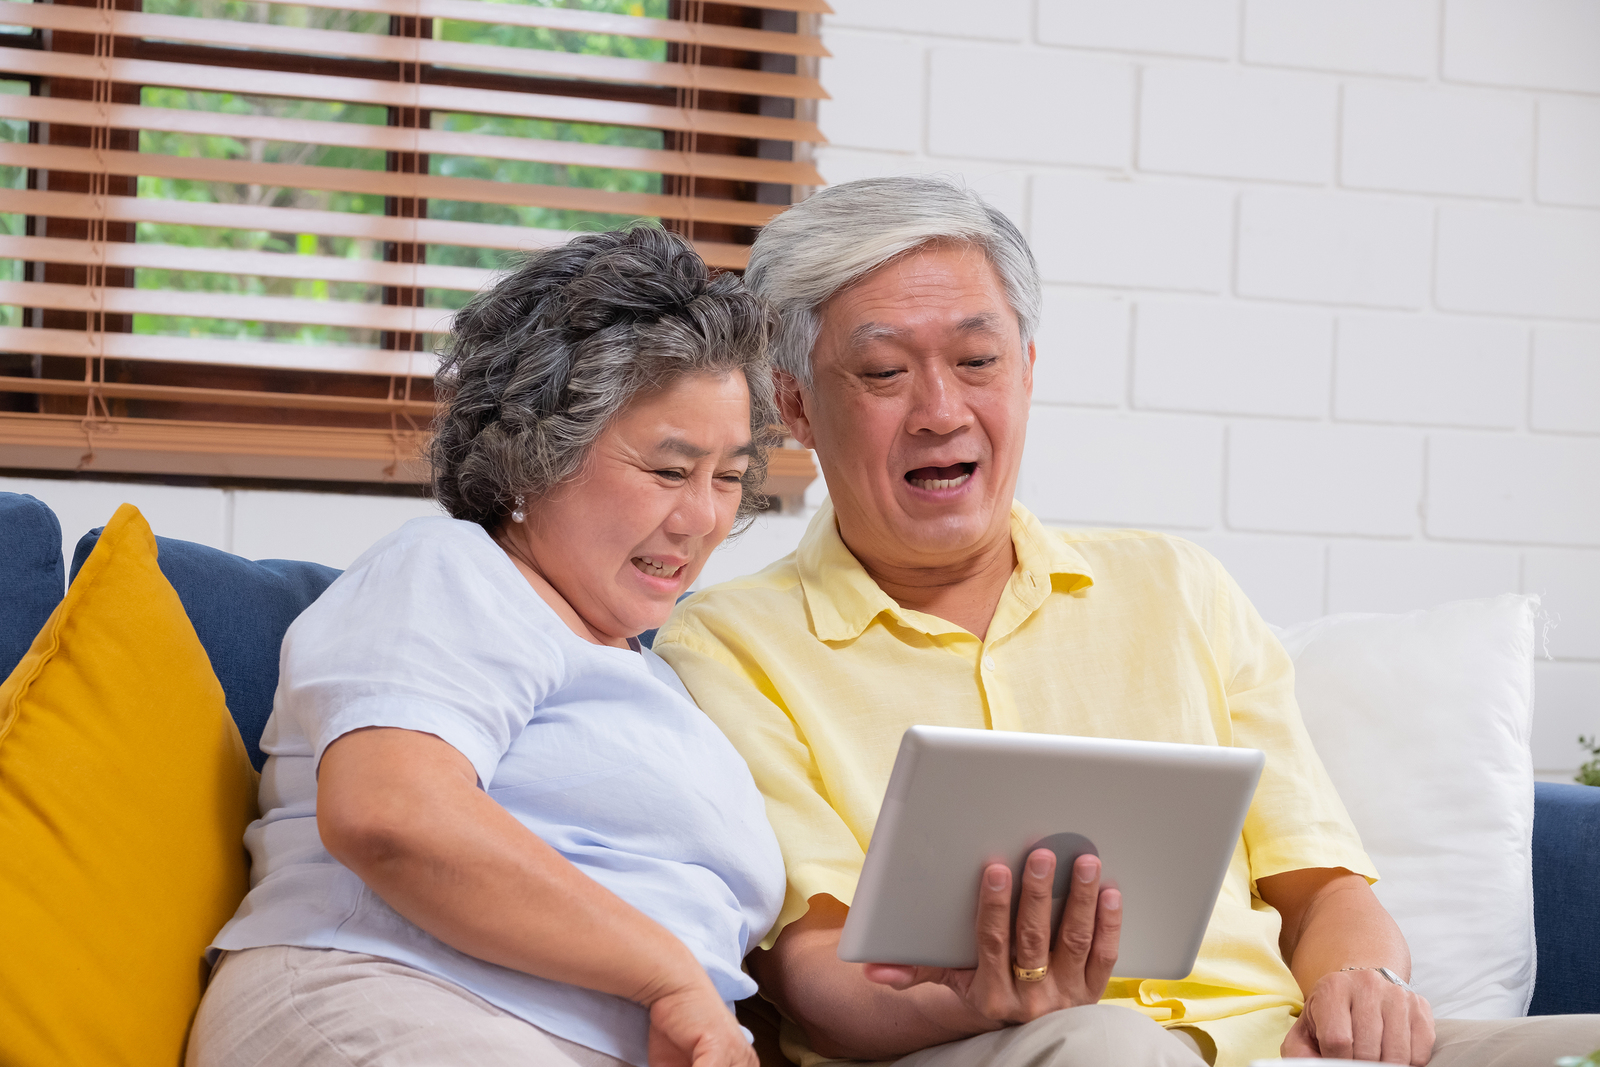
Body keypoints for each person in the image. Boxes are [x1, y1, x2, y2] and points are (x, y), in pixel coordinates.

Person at [651, 177, 1600, 1067]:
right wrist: (983, 1000)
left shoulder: (1176, 586)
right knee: (1108, 1044)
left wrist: (1365, 981)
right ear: (794, 406)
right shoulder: (732, 643)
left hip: (1272, 1043)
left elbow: (1325, 889)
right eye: (885, 372)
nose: (942, 411)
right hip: (985, 1048)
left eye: (978, 361)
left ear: (1025, 369)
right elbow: (811, 974)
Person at [189, 227, 786, 1067]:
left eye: (727, 477)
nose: (702, 520)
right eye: (667, 470)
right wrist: (669, 978)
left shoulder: (655, 677)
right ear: (534, 455)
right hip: (394, 996)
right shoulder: (452, 570)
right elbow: (390, 813)